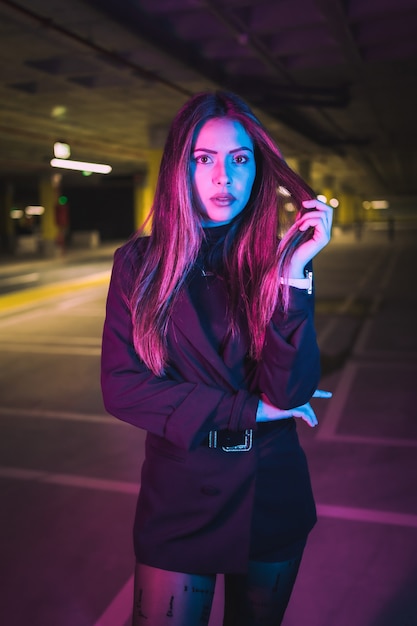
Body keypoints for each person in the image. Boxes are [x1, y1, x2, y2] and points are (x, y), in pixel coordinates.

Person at [101, 90, 333, 626]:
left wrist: (294, 276)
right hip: (182, 493)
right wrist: (246, 412)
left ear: (258, 172)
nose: (223, 178)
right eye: (204, 159)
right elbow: (122, 386)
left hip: (270, 490)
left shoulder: (281, 259)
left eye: (240, 159)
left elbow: (289, 393)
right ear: (179, 168)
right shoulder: (140, 265)